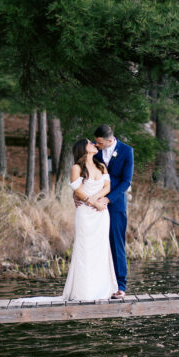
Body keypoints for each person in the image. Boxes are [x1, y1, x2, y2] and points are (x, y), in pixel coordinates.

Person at [62, 138, 118, 302]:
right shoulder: (76, 168)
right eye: (89, 143)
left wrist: (98, 200)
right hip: (85, 213)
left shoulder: (101, 166)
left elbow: (107, 187)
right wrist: (93, 203)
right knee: (84, 249)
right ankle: (84, 292)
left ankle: (101, 290)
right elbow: (78, 191)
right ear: (83, 148)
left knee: (100, 250)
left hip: (101, 214)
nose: (94, 144)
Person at [92, 124, 134, 300]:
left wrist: (109, 199)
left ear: (110, 140)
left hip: (115, 202)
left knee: (116, 243)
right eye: (96, 142)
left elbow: (126, 182)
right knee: (96, 242)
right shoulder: (93, 150)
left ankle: (120, 285)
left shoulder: (126, 151)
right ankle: (98, 284)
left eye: (100, 143)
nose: (97, 145)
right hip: (94, 201)